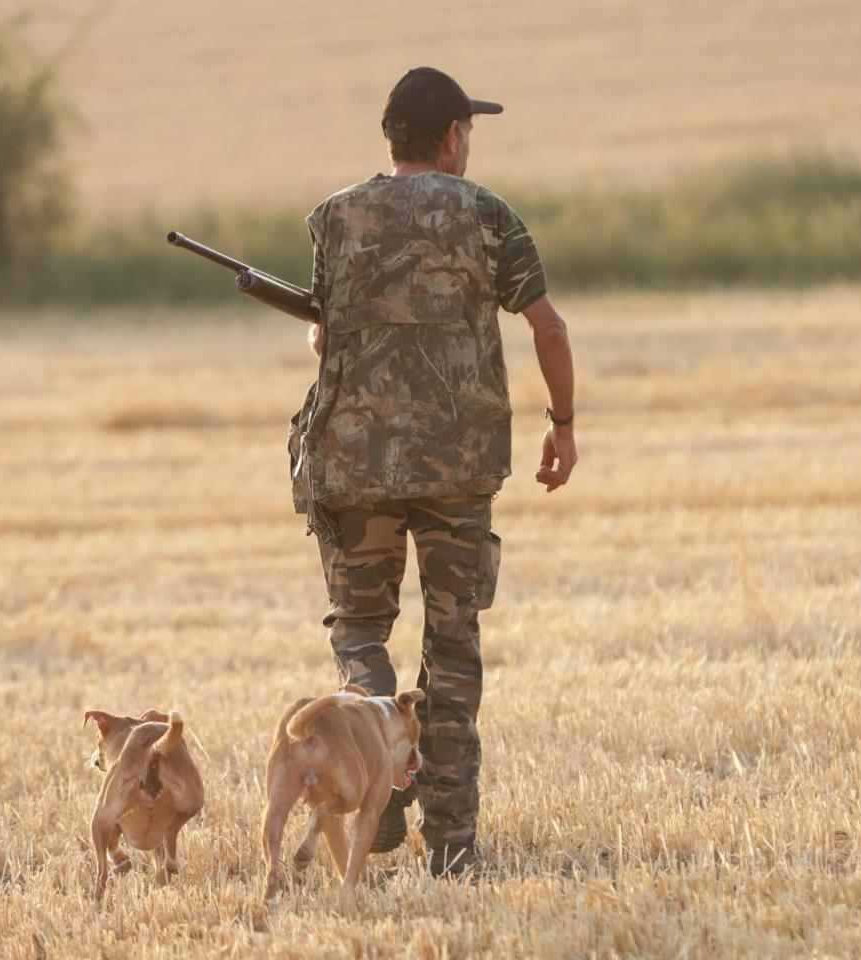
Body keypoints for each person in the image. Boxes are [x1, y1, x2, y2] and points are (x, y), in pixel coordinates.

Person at [288, 66, 578, 878]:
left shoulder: (335, 217)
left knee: (358, 633)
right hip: (457, 468)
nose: (469, 144)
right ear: (451, 136)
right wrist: (564, 425)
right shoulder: (486, 212)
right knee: (452, 648)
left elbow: (324, 339)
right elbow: (546, 327)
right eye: (468, 131)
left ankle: (371, 790)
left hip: (353, 464)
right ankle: (451, 846)